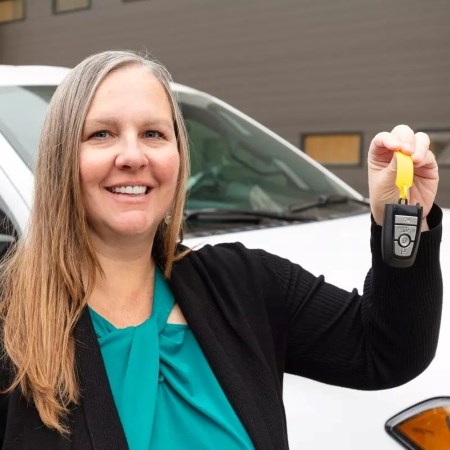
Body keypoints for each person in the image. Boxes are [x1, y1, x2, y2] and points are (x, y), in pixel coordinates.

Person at [0, 50, 443, 450]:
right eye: (101, 134)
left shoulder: (244, 284)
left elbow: (386, 350)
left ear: (178, 155)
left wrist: (400, 221)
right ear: (60, 158)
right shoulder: (10, 318)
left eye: (154, 133)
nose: (133, 156)